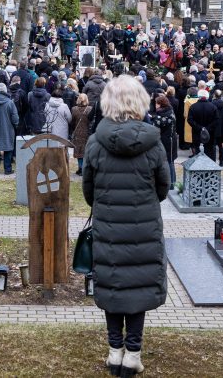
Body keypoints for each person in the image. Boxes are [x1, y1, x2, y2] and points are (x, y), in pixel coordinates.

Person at [82, 75, 169, 376]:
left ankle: (114, 350)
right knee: (137, 290)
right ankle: (133, 353)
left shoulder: (95, 143)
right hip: (143, 228)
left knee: (113, 286)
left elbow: (88, 192)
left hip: (108, 227)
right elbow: (163, 188)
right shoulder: (153, 143)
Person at [149, 94, 177, 187]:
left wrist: (152, 118)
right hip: (170, 140)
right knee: (170, 161)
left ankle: (171, 183)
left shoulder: (163, 115)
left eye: (156, 103)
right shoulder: (169, 111)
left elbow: (159, 124)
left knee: (169, 162)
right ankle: (172, 182)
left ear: (160, 104)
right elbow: (162, 120)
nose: (155, 105)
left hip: (168, 141)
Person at [71, 94, 93, 176]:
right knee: (86, 151)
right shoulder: (90, 109)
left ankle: (80, 168)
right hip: (87, 132)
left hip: (78, 133)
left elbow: (72, 122)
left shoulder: (74, 109)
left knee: (79, 151)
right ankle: (85, 168)